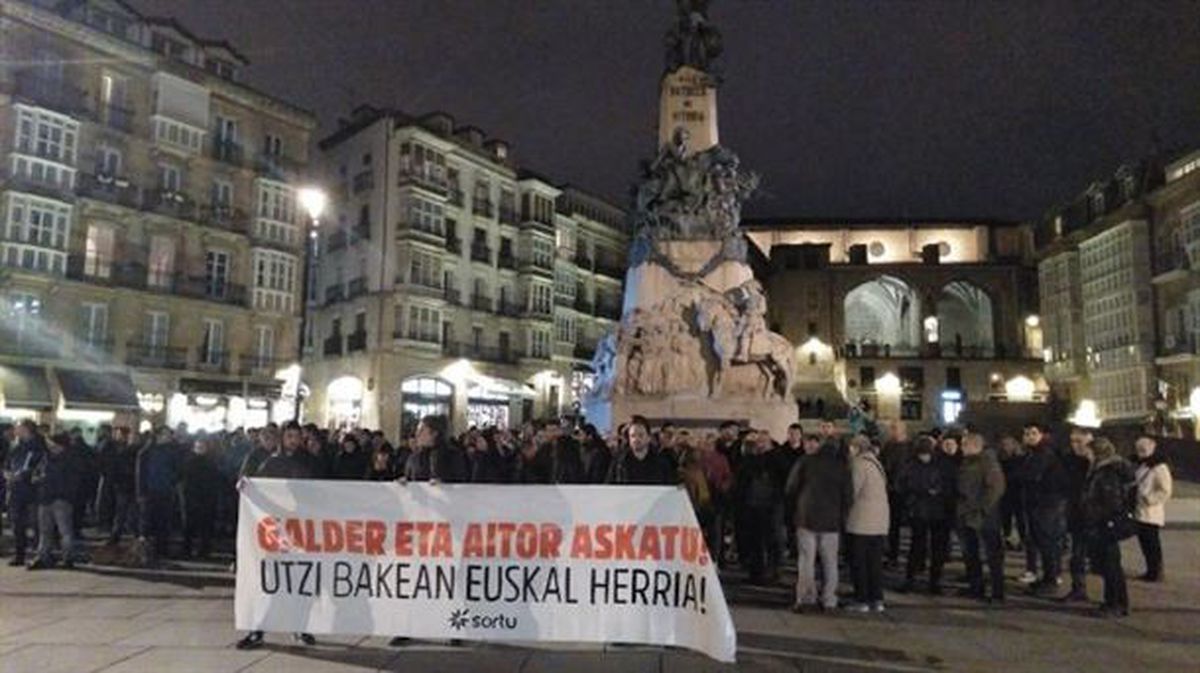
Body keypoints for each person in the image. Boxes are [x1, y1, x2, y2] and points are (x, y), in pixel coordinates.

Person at [238, 423, 317, 650]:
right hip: (277, 530)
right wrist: (245, 485)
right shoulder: (270, 462)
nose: (293, 440)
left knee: (300, 582)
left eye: (296, 436)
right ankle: (258, 629)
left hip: (301, 530)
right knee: (269, 581)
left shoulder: (309, 461)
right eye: (289, 436)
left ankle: (300, 626)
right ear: (283, 438)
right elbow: (254, 485)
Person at [785, 427, 851, 612]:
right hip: (831, 520)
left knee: (806, 560)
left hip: (807, 517)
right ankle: (829, 598)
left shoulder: (806, 461)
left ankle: (806, 598)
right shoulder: (842, 467)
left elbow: (790, 487)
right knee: (830, 560)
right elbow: (848, 496)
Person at [1080, 437, 1136, 617]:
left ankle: (1115, 603)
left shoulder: (1106, 473)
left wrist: (1096, 517)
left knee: (1110, 565)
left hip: (1105, 524)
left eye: (1089, 452)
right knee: (1110, 564)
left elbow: (1110, 502)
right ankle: (1115, 601)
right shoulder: (1103, 470)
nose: (1086, 455)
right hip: (1105, 523)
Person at [955, 433, 1006, 603]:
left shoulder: (987, 463)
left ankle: (997, 592)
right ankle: (975, 587)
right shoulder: (967, 463)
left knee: (992, 556)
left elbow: (996, 488)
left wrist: (982, 509)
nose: (961, 448)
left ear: (975, 445)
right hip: (966, 515)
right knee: (970, 554)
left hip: (985, 517)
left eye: (964, 444)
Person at [1020, 422, 1068, 596]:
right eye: (1026, 433)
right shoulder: (1034, 453)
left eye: (1033, 433)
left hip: (1046, 504)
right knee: (1043, 542)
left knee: (1047, 542)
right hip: (1041, 503)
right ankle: (1049, 576)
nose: (1029, 437)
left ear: (1041, 435)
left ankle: (1051, 579)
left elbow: (1031, 476)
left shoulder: (1044, 453)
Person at [845, 434, 889, 612]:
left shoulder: (859, 465)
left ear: (856, 448)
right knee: (874, 562)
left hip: (862, 522)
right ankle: (876, 598)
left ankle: (861, 599)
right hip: (879, 521)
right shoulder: (876, 464)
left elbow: (852, 492)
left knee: (860, 562)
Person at [899, 435, 949, 594]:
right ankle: (914, 579)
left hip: (934, 511)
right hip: (921, 510)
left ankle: (933, 581)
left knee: (934, 548)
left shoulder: (936, 465)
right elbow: (903, 484)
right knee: (918, 546)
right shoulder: (913, 465)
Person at [734, 430, 785, 584]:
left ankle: (773, 572)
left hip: (771, 506)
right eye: (758, 442)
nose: (760, 444)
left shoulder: (777, 458)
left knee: (772, 541)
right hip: (752, 505)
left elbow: (783, 476)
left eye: (763, 441)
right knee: (754, 541)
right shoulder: (750, 459)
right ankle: (756, 573)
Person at [28, 433, 81, 570]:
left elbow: (68, 480)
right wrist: (38, 478)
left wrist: (44, 479)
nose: (48, 445)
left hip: (60, 499)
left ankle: (68, 558)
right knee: (45, 531)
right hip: (45, 497)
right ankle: (43, 556)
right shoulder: (47, 458)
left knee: (65, 531)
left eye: (51, 443)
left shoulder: (70, 459)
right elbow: (37, 473)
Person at [136, 426, 182, 563]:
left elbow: (178, 470)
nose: (168, 437)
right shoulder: (146, 452)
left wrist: (173, 481)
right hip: (150, 492)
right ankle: (146, 551)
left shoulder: (172, 451)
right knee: (147, 523)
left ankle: (162, 549)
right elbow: (140, 474)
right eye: (166, 434)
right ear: (158, 435)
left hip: (166, 491)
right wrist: (141, 492)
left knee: (164, 522)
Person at [4, 420, 45, 566]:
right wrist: (7, 473)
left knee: (36, 524)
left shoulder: (38, 445)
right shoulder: (17, 446)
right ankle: (20, 554)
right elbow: (8, 463)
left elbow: (36, 467)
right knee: (17, 524)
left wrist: (21, 475)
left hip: (31, 490)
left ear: (26, 429)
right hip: (17, 490)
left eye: (18, 427)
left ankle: (39, 554)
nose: (15, 430)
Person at [1061, 427, 1095, 602]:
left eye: (1079, 441)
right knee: (1077, 555)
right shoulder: (1069, 460)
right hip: (1076, 512)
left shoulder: (1095, 462)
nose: (1075, 445)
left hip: (1093, 515)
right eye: (1073, 441)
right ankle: (1078, 588)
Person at [1131, 435, 1171, 583]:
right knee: (1146, 543)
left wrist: (1150, 499)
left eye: (1143, 449)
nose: (1140, 452)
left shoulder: (1159, 467)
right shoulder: (1142, 465)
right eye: (1138, 449)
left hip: (1150, 511)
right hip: (1141, 510)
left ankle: (1156, 571)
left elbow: (1165, 490)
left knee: (1152, 543)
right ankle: (1151, 570)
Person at [181, 438, 222, 559]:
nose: (200, 449)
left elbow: (216, 480)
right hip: (192, 498)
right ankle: (187, 549)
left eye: (202, 447)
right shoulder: (188, 462)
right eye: (198, 447)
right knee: (189, 526)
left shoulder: (211, 462)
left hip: (207, 498)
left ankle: (204, 550)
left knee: (205, 527)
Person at [607, 418, 676, 485]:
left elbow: (670, 488)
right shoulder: (619, 463)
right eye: (633, 436)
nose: (636, 439)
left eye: (641, 435)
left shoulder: (662, 463)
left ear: (649, 437)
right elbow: (609, 488)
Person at [880, 420, 911, 568]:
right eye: (891, 428)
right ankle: (892, 555)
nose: (892, 431)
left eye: (895, 428)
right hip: (890, 490)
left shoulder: (910, 447)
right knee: (892, 526)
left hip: (904, 491)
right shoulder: (888, 446)